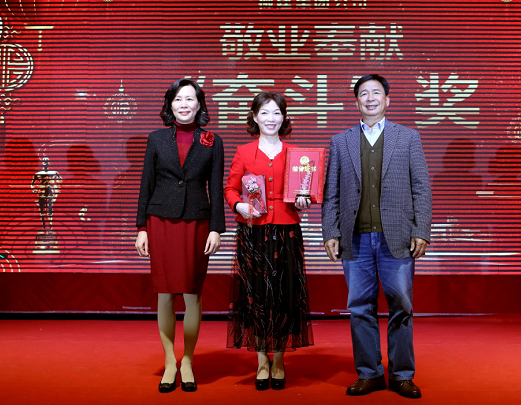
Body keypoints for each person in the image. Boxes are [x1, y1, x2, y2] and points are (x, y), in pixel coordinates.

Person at [321, 74, 432, 399]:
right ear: (356, 101)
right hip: (354, 238)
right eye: (364, 94)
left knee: (401, 306)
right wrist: (330, 232)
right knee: (359, 308)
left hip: (396, 237)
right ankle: (369, 373)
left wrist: (421, 230)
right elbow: (331, 193)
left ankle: (402, 375)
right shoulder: (340, 141)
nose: (370, 98)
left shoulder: (408, 137)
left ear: (387, 100)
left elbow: (421, 188)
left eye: (376, 93)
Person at [134, 78, 225, 393]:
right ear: (169, 104)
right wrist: (141, 228)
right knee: (165, 294)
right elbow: (146, 182)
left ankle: (187, 360)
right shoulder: (156, 138)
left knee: (192, 294)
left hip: (197, 222)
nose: (184, 104)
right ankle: (169, 362)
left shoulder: (212, 140)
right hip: (160, 220)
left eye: (190, 99)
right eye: (178, 99)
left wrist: (216, 228)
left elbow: (216, 186)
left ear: (199, 104)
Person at [225, 91, 314, 391]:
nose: (271, 118)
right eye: (264, 112)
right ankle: (262, 359)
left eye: (276, 113)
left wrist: (304, 201)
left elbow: (306, 191)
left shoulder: (297, 154)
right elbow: (230, 189)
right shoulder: (244, 151)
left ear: (284, 117)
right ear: (254, 117)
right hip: (254, 232)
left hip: (287, 231)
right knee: (258, 297)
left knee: (285, 296)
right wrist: (239, 206)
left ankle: (279, 359)